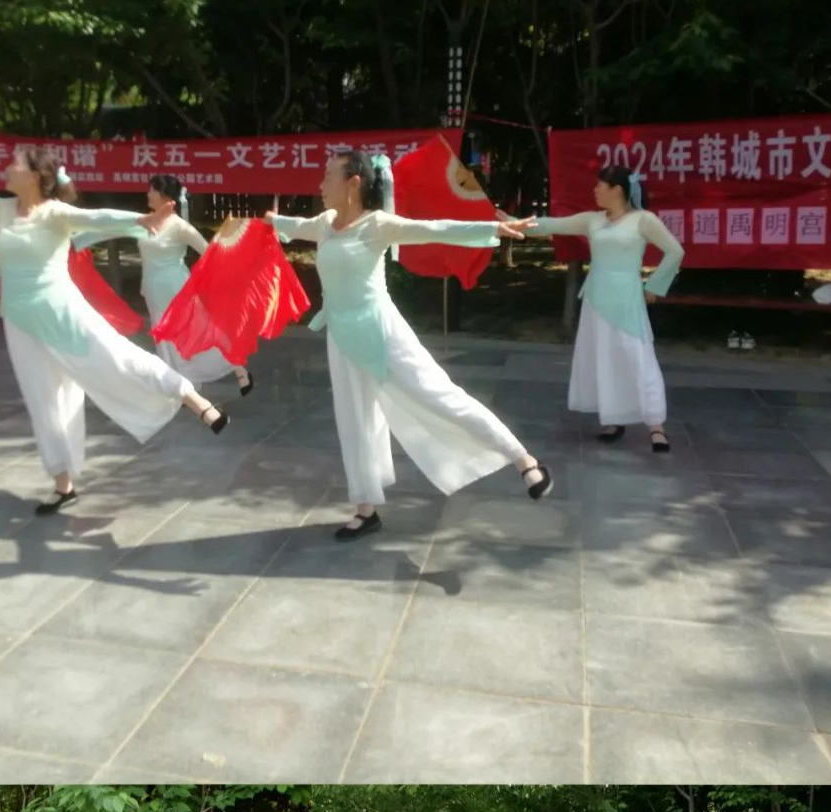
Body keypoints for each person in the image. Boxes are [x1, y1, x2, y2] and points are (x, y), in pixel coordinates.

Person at [0, 146, 229, 515]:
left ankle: (195, 400)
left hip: (63, 312)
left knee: (120, 358)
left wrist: (142, 220)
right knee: (44, 400)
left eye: (16, 163)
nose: (7, 167)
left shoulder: (55, 213)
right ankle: (63, 484)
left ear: (36, 176)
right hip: (20, 321)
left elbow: (97, 218)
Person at [265, 150, 552, 541]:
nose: (321, 183)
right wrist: (268, 222)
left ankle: (523, 459)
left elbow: (435, 229)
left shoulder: (377, 224)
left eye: (329, 175)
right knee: (354, 421)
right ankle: (365, 510)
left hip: (383, 333)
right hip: (342, 336)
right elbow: (294, 225)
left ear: (353, 183)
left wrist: (492, 229)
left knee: (439, 395)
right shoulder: (326, 223)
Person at [528, 165, 684, 452]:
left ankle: (656, 426)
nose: (595, 190)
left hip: (626, 299)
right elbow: (552, 224)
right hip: (596, 298)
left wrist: (655, 286)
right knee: (604, 358)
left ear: (618, 189)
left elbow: (675, 250)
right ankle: (613, 418)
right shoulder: (593, 220)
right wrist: (513, 224)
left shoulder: (643, 220)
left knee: (638, 357)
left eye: (600, 185)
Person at [76, 175, 253, 393]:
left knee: (199, 334)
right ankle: (180, 386)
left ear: (165, 196)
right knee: (166, 341)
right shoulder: (146, 222)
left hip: (177, 289)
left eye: (153, 190)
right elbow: (111, 229)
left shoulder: (180, 227)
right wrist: (76, 242)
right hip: (153, 289)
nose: (148, 194)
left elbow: (209, 253)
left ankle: (236, 369)